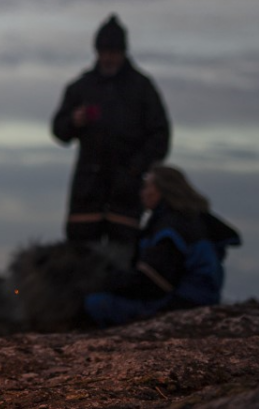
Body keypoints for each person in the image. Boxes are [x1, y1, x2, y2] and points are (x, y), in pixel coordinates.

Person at [51, 14, 171, 257]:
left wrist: (134, 170)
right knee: (79, 260)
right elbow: (58, 130)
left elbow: (161, 136)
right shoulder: (81, 87)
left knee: (122, 261)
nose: (108, 58)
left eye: (113, 52)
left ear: (123, 52)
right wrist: (74, 121)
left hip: (126, 194)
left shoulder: (142, 88)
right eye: (103, 51)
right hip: (87, 192)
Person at [84, 164, 241, 327]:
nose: (142, 193)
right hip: (202, 298)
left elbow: (155, 283)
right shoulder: (189, 219)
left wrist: (104, 281)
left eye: (146, 186)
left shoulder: (171, 226)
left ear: (162, 190)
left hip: (183, 302)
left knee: (96, 303)